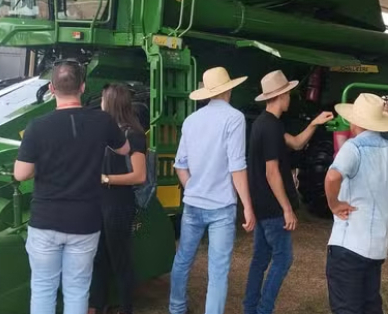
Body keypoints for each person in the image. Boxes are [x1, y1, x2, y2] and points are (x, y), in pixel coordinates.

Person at [14, 60, 130, 314]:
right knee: (78, 289)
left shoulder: (37, 126)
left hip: (45, 221)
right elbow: (124, 149)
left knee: (43, 287)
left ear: (51, 88)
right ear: (83, 87)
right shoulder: (102, 121)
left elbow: (21, 174)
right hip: (85, 222)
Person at [244, 70, 334, 314]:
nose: (291, 97)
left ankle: (250, 308)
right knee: (283, 259)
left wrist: (314, 122)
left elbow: (295, 142)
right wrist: (287, 209)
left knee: (260, 259)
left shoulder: (263, 123)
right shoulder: (272, 128)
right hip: (273, 207)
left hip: (261, 203)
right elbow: (272, 172)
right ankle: (263, 309)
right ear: (281, 95)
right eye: (289, 93)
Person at [169, 67, 256, 314]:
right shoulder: (235, 118)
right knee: (218, 269)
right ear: (229, 88)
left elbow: (180, 164)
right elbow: (237, 165)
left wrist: (193, 188)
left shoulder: (191, 120)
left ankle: (176, 308)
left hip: (194, 203)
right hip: (221, 207)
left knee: (183, 259)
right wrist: (247, 206)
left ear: (207, 92)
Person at [324, 93, 388, 314]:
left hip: (350, 243)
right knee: (370, 306)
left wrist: (333, 204)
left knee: (346, 307)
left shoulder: (353, 147)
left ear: (355, 120)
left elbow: (332, 177)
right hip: (377, 245)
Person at [88, 84, 148, 314]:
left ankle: (126, 308)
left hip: (118, 205)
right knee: (99, 258)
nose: (100, 103)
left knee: (119, 260)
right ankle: (97, 304)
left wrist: (105, 179)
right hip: (100, 204)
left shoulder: (133, 135)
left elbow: (139, 176)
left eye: (103, 99)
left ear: (111, 103)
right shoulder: (104, 131)